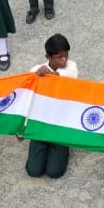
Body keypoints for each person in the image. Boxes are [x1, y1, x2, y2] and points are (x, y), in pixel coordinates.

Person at [26, 34, 79, 179]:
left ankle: (62, 147)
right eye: (59, 57)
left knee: (55, 172)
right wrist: (38, 77)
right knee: (34, 171)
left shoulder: (71, 67)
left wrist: (50, 76)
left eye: (66, 55)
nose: (64, 60)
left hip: (60, 122)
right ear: (48, 57)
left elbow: (68, 76)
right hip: (42, 122)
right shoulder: (36, 70)